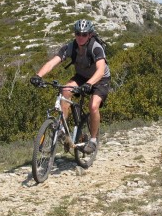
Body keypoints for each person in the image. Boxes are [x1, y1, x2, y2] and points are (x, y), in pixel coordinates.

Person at [30, 19, 110, 154]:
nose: (80, 37)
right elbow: (52, 63)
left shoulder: (96, 47)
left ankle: (93, 140)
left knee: (93, 106)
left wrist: (89, 84)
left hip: (100, 79)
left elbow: (100, 70)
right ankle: (62, 129)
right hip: (82, 76)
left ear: (90, 35)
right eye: (78, 33)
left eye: (84, 34)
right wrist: (38, 76)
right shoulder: (70, 47)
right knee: (65, 90)